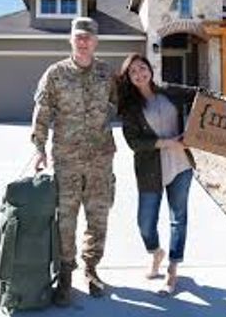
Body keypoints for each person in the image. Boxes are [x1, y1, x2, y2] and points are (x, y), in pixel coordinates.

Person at [31, 17, 116, 306]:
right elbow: (42, 112)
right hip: (66, 160)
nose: (83, 41)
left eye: (88, 37)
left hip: (101, 160)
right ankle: (66, 274)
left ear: (96, 42)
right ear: (71, 39)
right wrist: (39, 147)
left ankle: (91, 269)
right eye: (78, 37)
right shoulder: (55, 74)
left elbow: (121, 105)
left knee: (98, 217)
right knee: (65, 219)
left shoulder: (107, 73)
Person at [117, 53, 214, 296]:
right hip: (150, 169)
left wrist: (203, 124)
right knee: (145, 223)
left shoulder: (169, 91)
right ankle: (155, 252)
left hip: (180, 165)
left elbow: (201, 94)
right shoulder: (130, 107)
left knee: (178, 218)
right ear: (129, 78)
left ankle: (172, 269)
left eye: (142, 68)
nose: (139, 74)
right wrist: (170, 142)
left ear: (150, 69)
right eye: (133, 72)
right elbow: (134, 142)